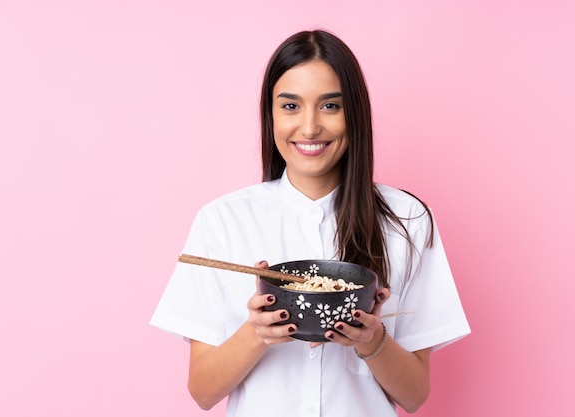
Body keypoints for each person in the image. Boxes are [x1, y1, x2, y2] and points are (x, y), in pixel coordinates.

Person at [150, 29, 470, 417]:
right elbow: (202, 392)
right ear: (270, 115)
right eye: (290, 106)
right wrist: (257, 333)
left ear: (355, 113)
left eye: (330, 106)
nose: (309, 127)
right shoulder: (222, 220)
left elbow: (416, 395)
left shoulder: (407, 219)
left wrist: (371, 339)